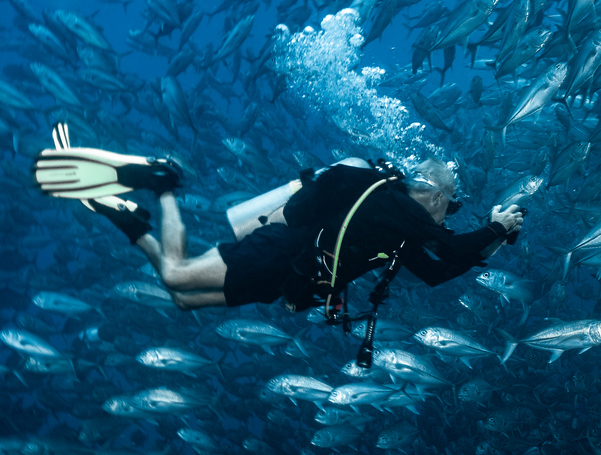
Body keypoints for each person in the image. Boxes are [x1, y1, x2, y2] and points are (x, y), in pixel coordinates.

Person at [40, 147, 522, 312]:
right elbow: (452, 243)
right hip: (278, 249)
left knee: (184, 299)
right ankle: (162, 183)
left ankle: (130, 221)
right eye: (451, 203)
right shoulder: (393, 202)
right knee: (175, 277)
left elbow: (439, 271)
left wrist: (496, 239)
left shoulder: (401, 232)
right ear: (435, 194)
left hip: (288, 278)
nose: (450, 212)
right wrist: (496, 226)